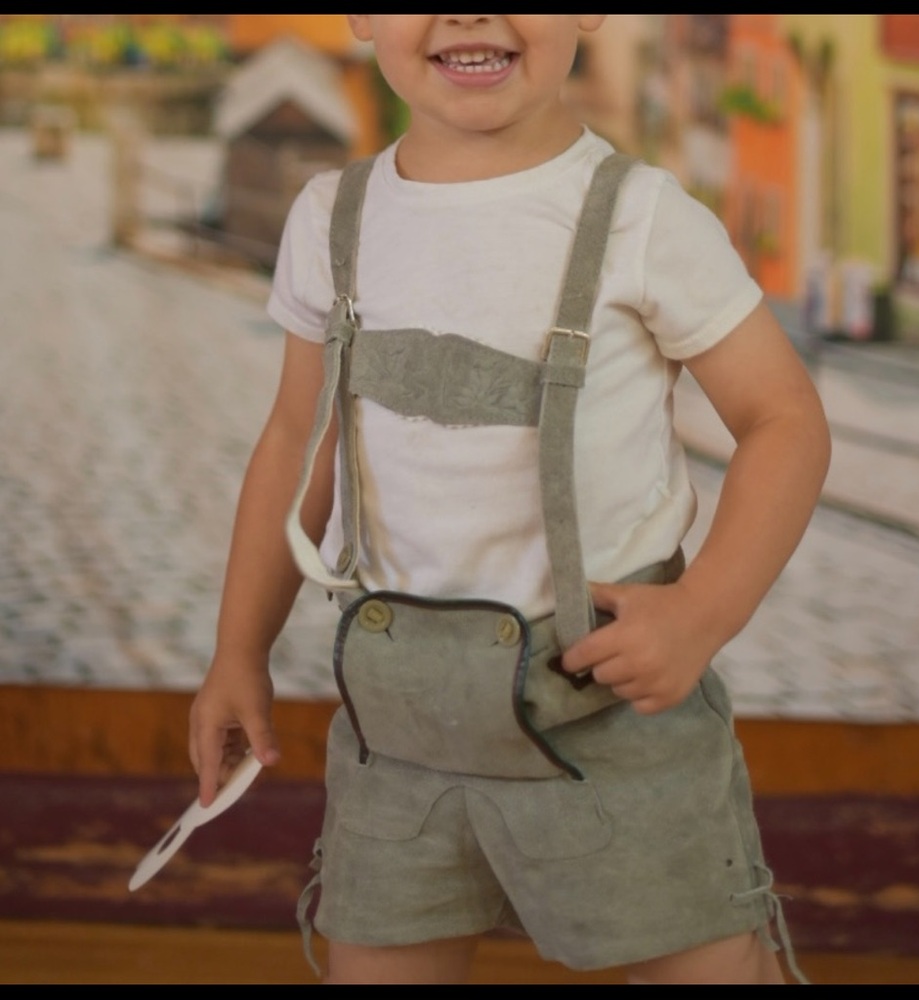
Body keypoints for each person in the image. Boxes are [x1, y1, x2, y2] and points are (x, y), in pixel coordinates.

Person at [189, 15, 830, 985]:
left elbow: (784, 419)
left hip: (607, 711)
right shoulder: (333, 217)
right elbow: (296, 440)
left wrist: (702, 612)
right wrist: (237, 650)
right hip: (398, 731)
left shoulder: (640, 216)